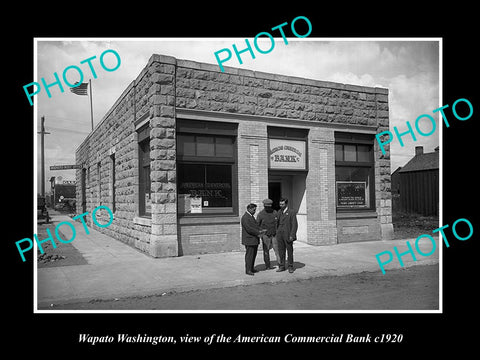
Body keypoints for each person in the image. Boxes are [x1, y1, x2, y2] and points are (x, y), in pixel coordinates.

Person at [241, 203, 266, 276]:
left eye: (255, 210)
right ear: (249, 209)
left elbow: (255, 226)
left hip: (254, 239)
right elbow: (249, 229)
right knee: (249, 255)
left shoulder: (251, 216)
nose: (254, 211)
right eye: (253, 209)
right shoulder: (245, 217)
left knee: (253, 255)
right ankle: (248, 270)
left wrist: (261, 230)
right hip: (249, 240)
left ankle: (251, 268)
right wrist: (258, 232)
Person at [276, 197, 298, 273]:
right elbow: (277, 223)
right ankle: (282, 266)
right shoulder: (279, 212)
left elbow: (294, 224)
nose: (281, 205)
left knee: (289, 251)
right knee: (281, 251)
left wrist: (292, 235)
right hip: (280, 235)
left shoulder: (291, 212)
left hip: (288, 234)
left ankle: (290, 266)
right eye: (280, 204)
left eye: (282, 204)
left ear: (286, 204)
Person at [256, 198, 279, 270]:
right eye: (266, 206)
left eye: (269, 206)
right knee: (266, 251)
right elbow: (257, 225)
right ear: (264, 206)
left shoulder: (275, 212)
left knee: (277, 250)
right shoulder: (261, 214)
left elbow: (278, 223)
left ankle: (280, 264)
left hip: (274, 235)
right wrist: (261, 233)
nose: (268, 208)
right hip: (265, 236)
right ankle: (267, 265)